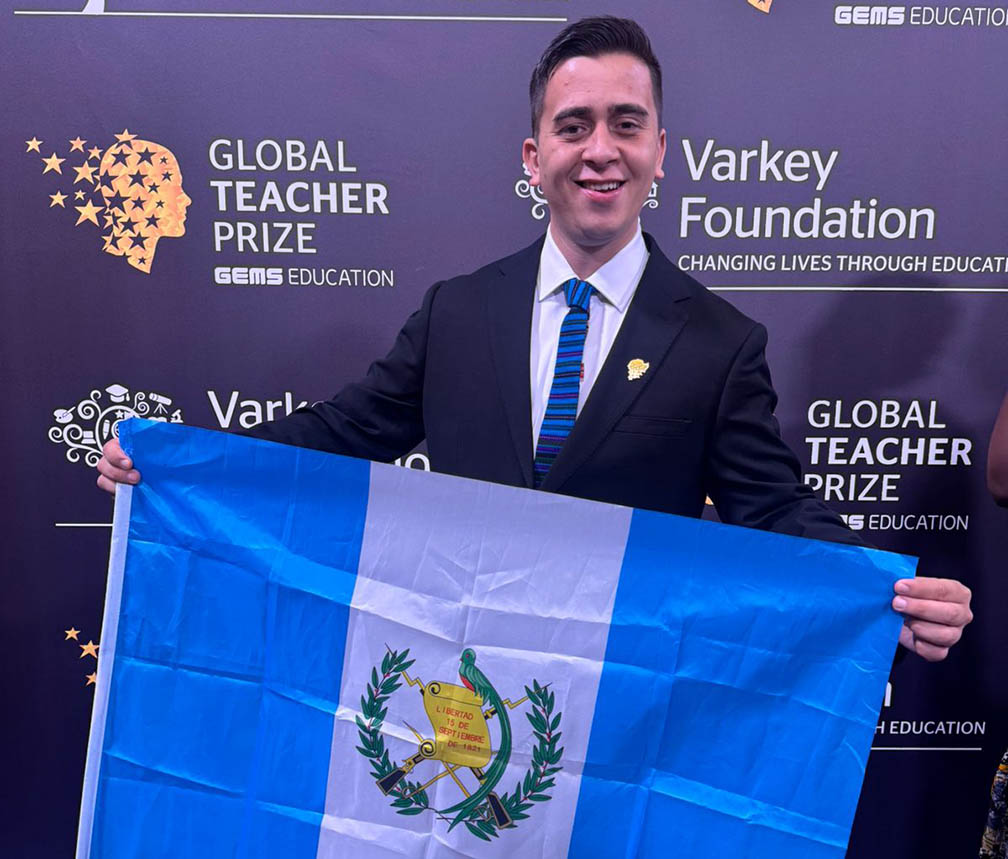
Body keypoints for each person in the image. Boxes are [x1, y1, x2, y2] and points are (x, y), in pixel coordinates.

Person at [96, 16, 971, 661]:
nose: (601, 149)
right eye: (573, 125)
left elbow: (770, 510)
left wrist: (881, 590)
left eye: (626, 124)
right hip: (447, 691)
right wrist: (176, 458)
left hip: (621, 707)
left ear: (662, 151)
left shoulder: (719, 342)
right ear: (532, 154)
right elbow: (336, 438)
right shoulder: (458, 311)